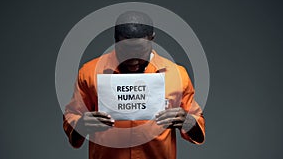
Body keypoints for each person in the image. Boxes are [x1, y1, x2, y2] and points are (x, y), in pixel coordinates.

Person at [63, 11, 205, 159]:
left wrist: (187, 122)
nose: (133, 61)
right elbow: (72, 115)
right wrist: (80, 125)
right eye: (125, 51)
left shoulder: (177, 74)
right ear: (115, 41)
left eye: (140, 51)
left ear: (152, 39)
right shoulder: (89, 73)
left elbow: (197, 124)